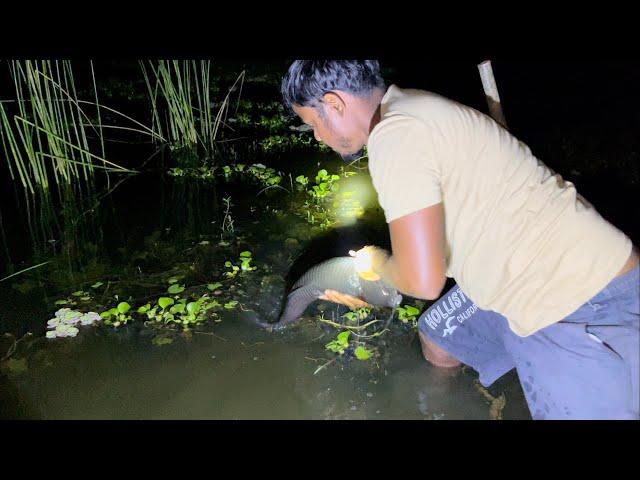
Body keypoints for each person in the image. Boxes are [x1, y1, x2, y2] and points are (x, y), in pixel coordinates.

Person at [280, 60, 639, 420]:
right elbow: (427, 254)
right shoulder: (411, 106)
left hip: (576, 298)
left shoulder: (394, 136)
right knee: (439, 336)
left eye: (313, 123)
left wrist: (375, 264)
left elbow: (423, 281)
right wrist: (376, 282)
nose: (316, 136)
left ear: (335, 104)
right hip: (539, 266)